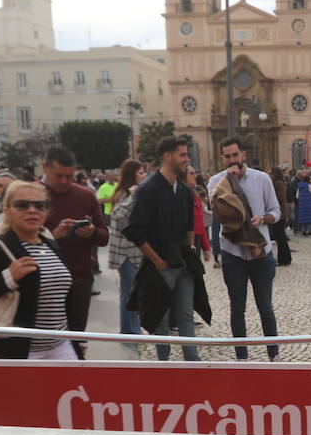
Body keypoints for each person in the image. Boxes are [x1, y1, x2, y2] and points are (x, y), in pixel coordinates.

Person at [0, 180, 82, 360]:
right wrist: (7, 277)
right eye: (22, 205)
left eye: (40, 205)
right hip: (19, 351)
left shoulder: (51, 245)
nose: (32, 210)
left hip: (61, 346)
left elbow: (64, 300)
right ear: (7, 210)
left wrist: (79, 339)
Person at [124, 137, 201, 361]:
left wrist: (190, 251)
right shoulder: (148, 189)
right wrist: (156, 260)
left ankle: (193, 363)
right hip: (160, 264)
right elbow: (134, 229)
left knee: (186, 314)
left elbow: (189, 225)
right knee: (161, 317)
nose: (187, 159)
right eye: (183, 155)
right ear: (167, 156)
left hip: (183, 262)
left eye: (187, 155)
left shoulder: (185, 190)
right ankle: (163, 364)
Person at [207, 137, 283, 361]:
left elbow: (276, 211)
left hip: (261, 253)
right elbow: (218, 213)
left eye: (235, 155)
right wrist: (229, 182)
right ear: (222, 158)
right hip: (233, 253)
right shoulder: (215, 182)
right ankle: (242, 357)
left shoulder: (261, 179)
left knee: (266, 307)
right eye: (227, 156)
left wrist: (264, 218)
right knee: (237, 308)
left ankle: (274, 354)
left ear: (243, 156)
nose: (232, 160)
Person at [41, 147, 108, 336]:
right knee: (45, 338)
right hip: (43, 280)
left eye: (69, 176)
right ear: (44, 168)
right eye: (59, 175)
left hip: (79, 278)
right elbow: (17, 240)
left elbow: (104, 236)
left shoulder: (85, 196)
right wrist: (53, 237)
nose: (64, 181)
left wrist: (92, 232)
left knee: (76, 337)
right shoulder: (30, 195)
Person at [106, 159, 146, 338]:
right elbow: (119, 216)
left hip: (132, 251)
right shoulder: (126, 193)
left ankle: (132, 327)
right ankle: (129, 329)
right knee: (129, 291)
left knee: (132, 290)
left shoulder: (131, 192)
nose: (144, 175)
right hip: (125, 252)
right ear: (132, 175)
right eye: (141, 172)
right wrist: (133, 197)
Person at [269, 167, 293, 265]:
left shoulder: (278, 183)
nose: (270, 175)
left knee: (280, 237)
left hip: (280, 213)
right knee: (281, 236)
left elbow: (279, 198)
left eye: (271, 173)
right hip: (281, 212)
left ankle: (283, 259)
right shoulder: (279, 182)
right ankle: (286, 258)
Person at [295, 171, 311, 235]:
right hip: (310, 204)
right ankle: (309, 231)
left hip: (302, 204)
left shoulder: (299, 186)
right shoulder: (309, 186)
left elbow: (297, 196)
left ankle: (304, 230)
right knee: (310, 218)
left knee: (303, 217)